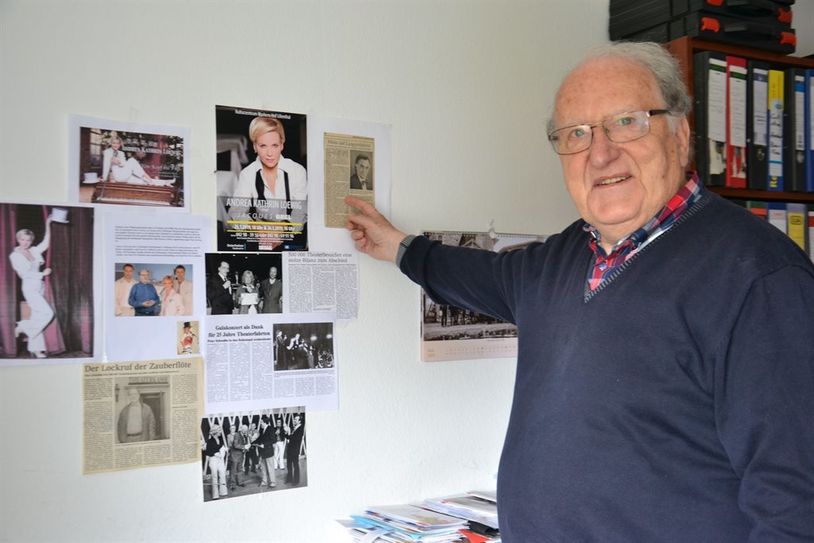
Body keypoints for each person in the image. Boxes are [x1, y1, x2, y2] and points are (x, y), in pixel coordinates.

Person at [345, 42, 814, 541]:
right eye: (577, 134)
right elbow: (478, 275)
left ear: (680, 135)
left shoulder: (759, 278)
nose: (601, 152)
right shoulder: (564, 257)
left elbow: (794, 500)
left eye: (627, 122)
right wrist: (398, 247)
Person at [231, 117, 307, 225]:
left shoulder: (297, 171)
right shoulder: (247, 174)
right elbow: (236, 212)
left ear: (282, 145)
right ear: (255, 147)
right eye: (263, 146)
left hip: (291, 235)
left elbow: (301, 212)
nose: (270, 153)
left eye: (274, 145)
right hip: (260, 236)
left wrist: (281, 231)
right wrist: (257, 229)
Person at [10, 219, 55, 358]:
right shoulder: (15, 255)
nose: (25, 242)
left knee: (37, 316)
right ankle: (22, 327)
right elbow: (25, 274)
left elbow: (46, 242)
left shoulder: (34, 250)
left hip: (39, 287)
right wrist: (43, 273)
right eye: (22, 239)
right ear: (18, 239)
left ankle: (35, 349)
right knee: (48, 313)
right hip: (29, 287)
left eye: (28, 240)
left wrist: (48, 224)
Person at [101, 137, 174, 186]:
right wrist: (104, 179)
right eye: (114, 143)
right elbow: (106, 166)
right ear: (111, 143)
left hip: (124, 174)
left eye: (117, 143)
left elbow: (123, 164)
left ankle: (165, 182)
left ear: (120, 144)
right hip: (118, 176)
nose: (115, 145)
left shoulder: (121, 153)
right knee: (132, 160)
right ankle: (149, 180)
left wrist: (118, 162)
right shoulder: (107, 152)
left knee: (141, 181)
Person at [202, 424, 228, 500]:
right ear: (215, 431)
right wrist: (215, 453)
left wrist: (223, 450)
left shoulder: (220, 440)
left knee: (222, 474)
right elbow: (207, 452)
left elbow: (220, 448)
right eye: (219, 430)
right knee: (214, 476)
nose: (220, 432)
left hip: (220, 460)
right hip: (213, 460)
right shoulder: (209, 441)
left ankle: (223, 492)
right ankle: (215, 495)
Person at [283, 414, 304, 486]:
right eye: (294, 419)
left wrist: (288, 434)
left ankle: (296, 480)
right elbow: (290, 437)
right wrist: (286, 433)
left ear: (299, 421)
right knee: (289, 465)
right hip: (290, 449)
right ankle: (289, 479)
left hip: (295, 450)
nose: (294, 420)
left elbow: (295, 439)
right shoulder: (294, 427)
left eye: (296, 419)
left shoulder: (300, 428)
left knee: (295, 465)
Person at [255, 415, 276, 489]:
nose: (260, 424)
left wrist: (264, 445)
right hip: (262, 452)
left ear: (265, 422)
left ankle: (273, 482)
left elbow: (273, 440)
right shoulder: (262, 430)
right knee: (263, 468)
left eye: (261, 422)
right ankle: (264, 481)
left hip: (269, 452)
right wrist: (251, 443)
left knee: (270, 468)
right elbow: (259, 439)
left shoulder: (270, 429)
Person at [227, 424, 250, 490]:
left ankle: (240, 482)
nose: (245, 431)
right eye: (245, 430)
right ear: (241, 429)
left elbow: (242, 444)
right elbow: (235, 445)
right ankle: (233, 485)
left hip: (240, 455)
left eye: (246, 430)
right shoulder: (237, 435)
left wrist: (246, 447)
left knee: (240, 469)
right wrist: (244, 447)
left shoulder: (244, 435)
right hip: (235, 455)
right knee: (233, 470)